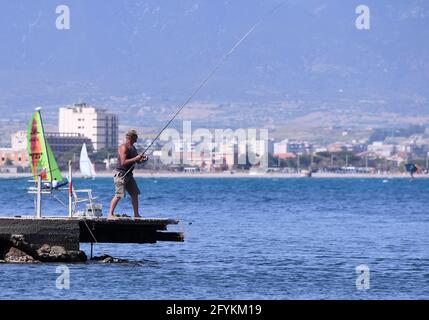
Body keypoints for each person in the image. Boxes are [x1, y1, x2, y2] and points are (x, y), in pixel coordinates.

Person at [108, 130, 148, 219]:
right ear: (131, 137)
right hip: (121, 175)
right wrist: (136, 158)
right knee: (118, 195)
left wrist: (142, 159)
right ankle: (110, 214)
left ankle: (136, 215)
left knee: (135, 194)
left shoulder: (133, 148)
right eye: (135, 136)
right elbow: (123, 162)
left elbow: (137, 161)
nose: (137, 138)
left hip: (129, 175)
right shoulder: (123, 147)